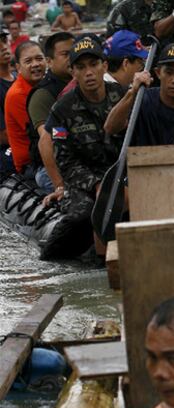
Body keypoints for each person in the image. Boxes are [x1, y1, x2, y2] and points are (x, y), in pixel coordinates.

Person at [46, 36, 124, 256]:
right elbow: (65, 162)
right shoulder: (62, 109)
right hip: (84, 183)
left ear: (105, 66)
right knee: (83, 215)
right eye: (81, 67)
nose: (88, 72)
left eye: (94, 64)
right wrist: (96, 184)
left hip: (122, 176)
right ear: (73, 72)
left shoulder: (123, 95)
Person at [25, 32, 74, 201]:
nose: (72, 57)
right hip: (51, 167)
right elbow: (50, 139)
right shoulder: (43, 95)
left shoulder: (83, 84)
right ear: (50, 61)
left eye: (73, 52)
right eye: (65, 54)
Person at [4, 40, 47, 177]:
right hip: (32, 164)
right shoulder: (17, 94)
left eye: (39, 59)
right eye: (28, 61)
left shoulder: (46, 84)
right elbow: (41, 134)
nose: (35, 64)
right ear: (18, 67)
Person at [0, 27, 15, 171]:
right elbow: (3, 135)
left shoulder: (20, 77)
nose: (4, 47)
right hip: (7, 149)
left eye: (4, 41)